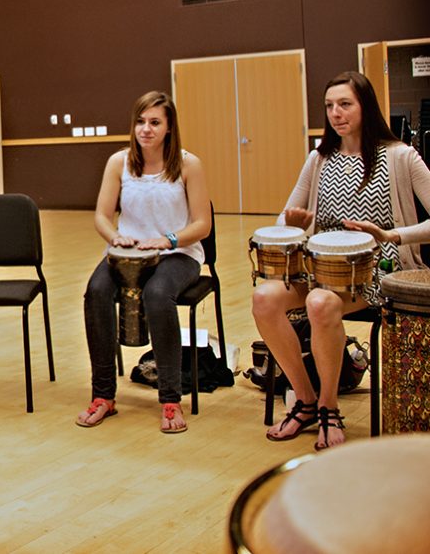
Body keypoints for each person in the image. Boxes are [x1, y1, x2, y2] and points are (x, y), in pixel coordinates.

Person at [253, 71, 430, 450]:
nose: (335, 113)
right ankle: (305, 398)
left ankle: (329, 409)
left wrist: (392, 235)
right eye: (329, 106)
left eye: (345, 104)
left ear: (366, 107)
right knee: (264, 299)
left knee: (319, 303)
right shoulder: (319, 158)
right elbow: (288, 214)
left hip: (380, 266)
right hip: (321, 265)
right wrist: (293, 221)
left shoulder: (400, 156)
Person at [76, 91, 211, 433]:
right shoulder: (118, 162)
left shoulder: (188, 164)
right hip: (128, 254)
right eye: (140, 121)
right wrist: (114, 237)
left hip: (177, 254)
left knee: (157, 294)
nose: (146, 129)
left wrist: (168, 240)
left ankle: (170, 399)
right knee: (96, 292)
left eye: (154, 122)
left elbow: (202, 224)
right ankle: (103, 396)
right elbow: (102, 216)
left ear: (168, 128)